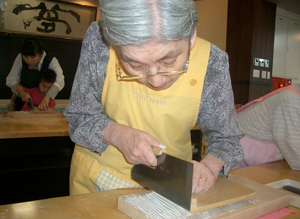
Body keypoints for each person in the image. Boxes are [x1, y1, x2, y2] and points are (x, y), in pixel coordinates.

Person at [64, 0, 244, 195]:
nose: (156, 81)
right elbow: (79, 116)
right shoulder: (99, 41)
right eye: (135, 65)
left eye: (168, 61)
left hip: (170, 185)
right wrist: (118, 135)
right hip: (97, 180)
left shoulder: (212, 63)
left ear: (191, 36)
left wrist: (208, 167)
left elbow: (226, 140)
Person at [233, 85, 300, 170]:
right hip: (238, 157)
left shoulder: (293, 95)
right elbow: (296, 155)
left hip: (249, 157)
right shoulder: (291, 101)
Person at [6, 36, 64, 111]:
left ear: (41, 54)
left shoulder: (51, 60)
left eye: (33, 57)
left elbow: (60, 80)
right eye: (25, 57)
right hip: (23, 103)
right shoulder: (20, 57)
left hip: (42, 102)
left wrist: (47, 97)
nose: (29, 60)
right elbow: (11, 80)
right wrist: (22, 93)